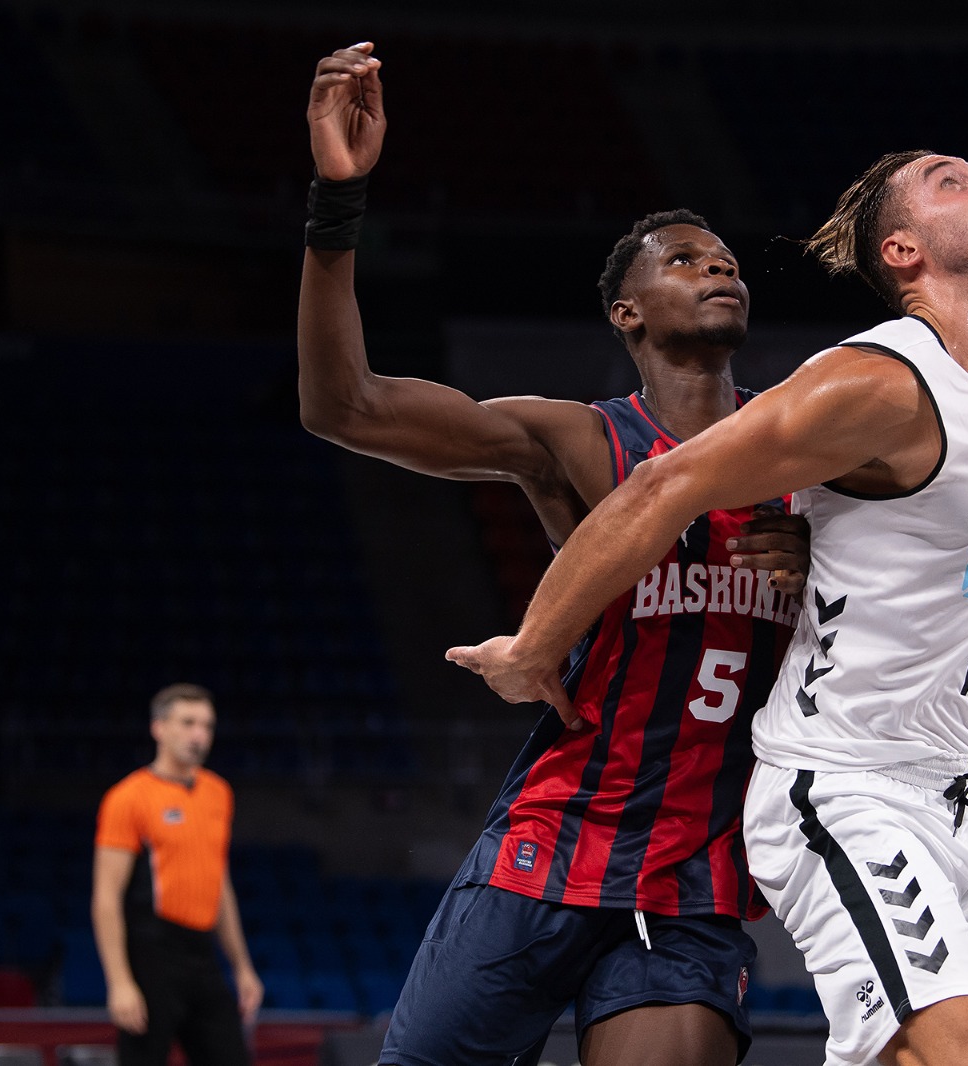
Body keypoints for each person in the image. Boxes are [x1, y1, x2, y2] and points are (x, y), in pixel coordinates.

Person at [449, 151, 968, 1066]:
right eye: (952, 181)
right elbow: (662, 486)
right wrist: (532, 648)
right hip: (844, 790)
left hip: (960, 792)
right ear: (902, 251)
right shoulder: (875, 381)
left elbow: (963, 583)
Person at [298, 42, 811, 1066]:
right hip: (548, 847)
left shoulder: (808, 455)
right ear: (627, 313)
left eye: (725, 258)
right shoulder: (579, 441)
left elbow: (925, 596)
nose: (717, 266)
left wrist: (819, 568)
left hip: (693, 875)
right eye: (682, 257)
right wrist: (336, 204)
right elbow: (341, 406)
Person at [92, 683, 262, 1066]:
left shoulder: (218, 793)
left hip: (202, 953)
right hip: (152, 952)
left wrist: (242, 967)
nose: (199, 735)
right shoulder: (128, 797)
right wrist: (119, 982)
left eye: (207, 725)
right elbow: (105, 898)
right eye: (187, 723)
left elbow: (220, 886)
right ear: (159, 727)